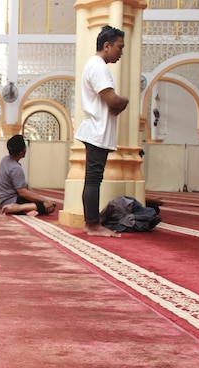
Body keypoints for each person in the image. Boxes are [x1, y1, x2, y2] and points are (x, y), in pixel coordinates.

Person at [75, 25, 129, 237]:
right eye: (119, 47)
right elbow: (112, 100)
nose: (121, 52)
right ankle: (92, 224)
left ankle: (92, 222)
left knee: (93, 178)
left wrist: (118, 103)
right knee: (94, 179)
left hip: (98, 130)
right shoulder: (98, 67)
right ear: (106, 46)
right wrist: (125, 101)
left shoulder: (96, 65)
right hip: (96, 131)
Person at [0, 134, 56, 216]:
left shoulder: (5, 160)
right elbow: (23, 192)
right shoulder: (16, 168)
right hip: (12, 201)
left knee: (43, 203)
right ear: (21, 152)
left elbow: (26, 189)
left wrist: (41, 199)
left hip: (2, 201)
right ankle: (17, 208)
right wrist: (44, 201)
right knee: (47, 207)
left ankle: (25, 210)